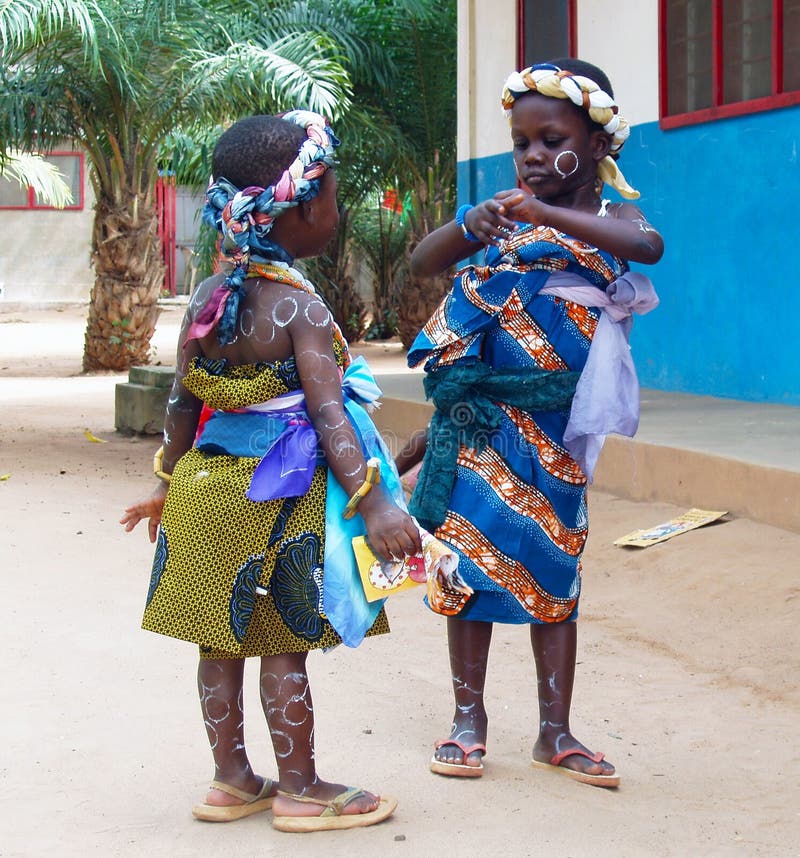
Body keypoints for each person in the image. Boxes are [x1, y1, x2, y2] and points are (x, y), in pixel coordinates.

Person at [120, 111, 421, 832]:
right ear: (307, 208)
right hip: (272, 496)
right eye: (335, 197)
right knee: (281, 644)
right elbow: (328, 416)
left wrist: (166, 482)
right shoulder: (299, 305)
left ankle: (230, 781)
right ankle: (302, 789)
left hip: (203, 490)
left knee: (217, 641)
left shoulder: (207, 296)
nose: (337, 210)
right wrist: (376, 502)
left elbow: (180, 402)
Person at [400, 59, 664, 788]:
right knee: (466, 565)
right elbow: (424, 262)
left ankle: (556, 732)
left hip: (557, 430)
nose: (534, 158)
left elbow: (649, 248)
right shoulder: (503, 221)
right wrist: (467, 223)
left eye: (552, 140)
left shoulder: (611, 223)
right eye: (522, 144)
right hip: (487, 425)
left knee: (556, 567)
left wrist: (548, 215)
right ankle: (467, 719)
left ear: (600, 146)